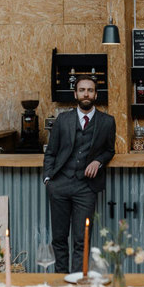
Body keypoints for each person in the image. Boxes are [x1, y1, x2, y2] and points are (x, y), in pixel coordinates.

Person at [43, 76, 115, 273]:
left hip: (86, 187)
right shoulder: (63, 120)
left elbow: (110, 150)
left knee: (81, 239)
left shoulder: (107, 122)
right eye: (82, 90)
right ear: (75, 94)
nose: (86, 94)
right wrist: (48, 179)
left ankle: (77, 280)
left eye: (90, 90)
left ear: (96, 95)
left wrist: (98, 161)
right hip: (59, 185)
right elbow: (51, 152)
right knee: (58, 238)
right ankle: (60, 280)